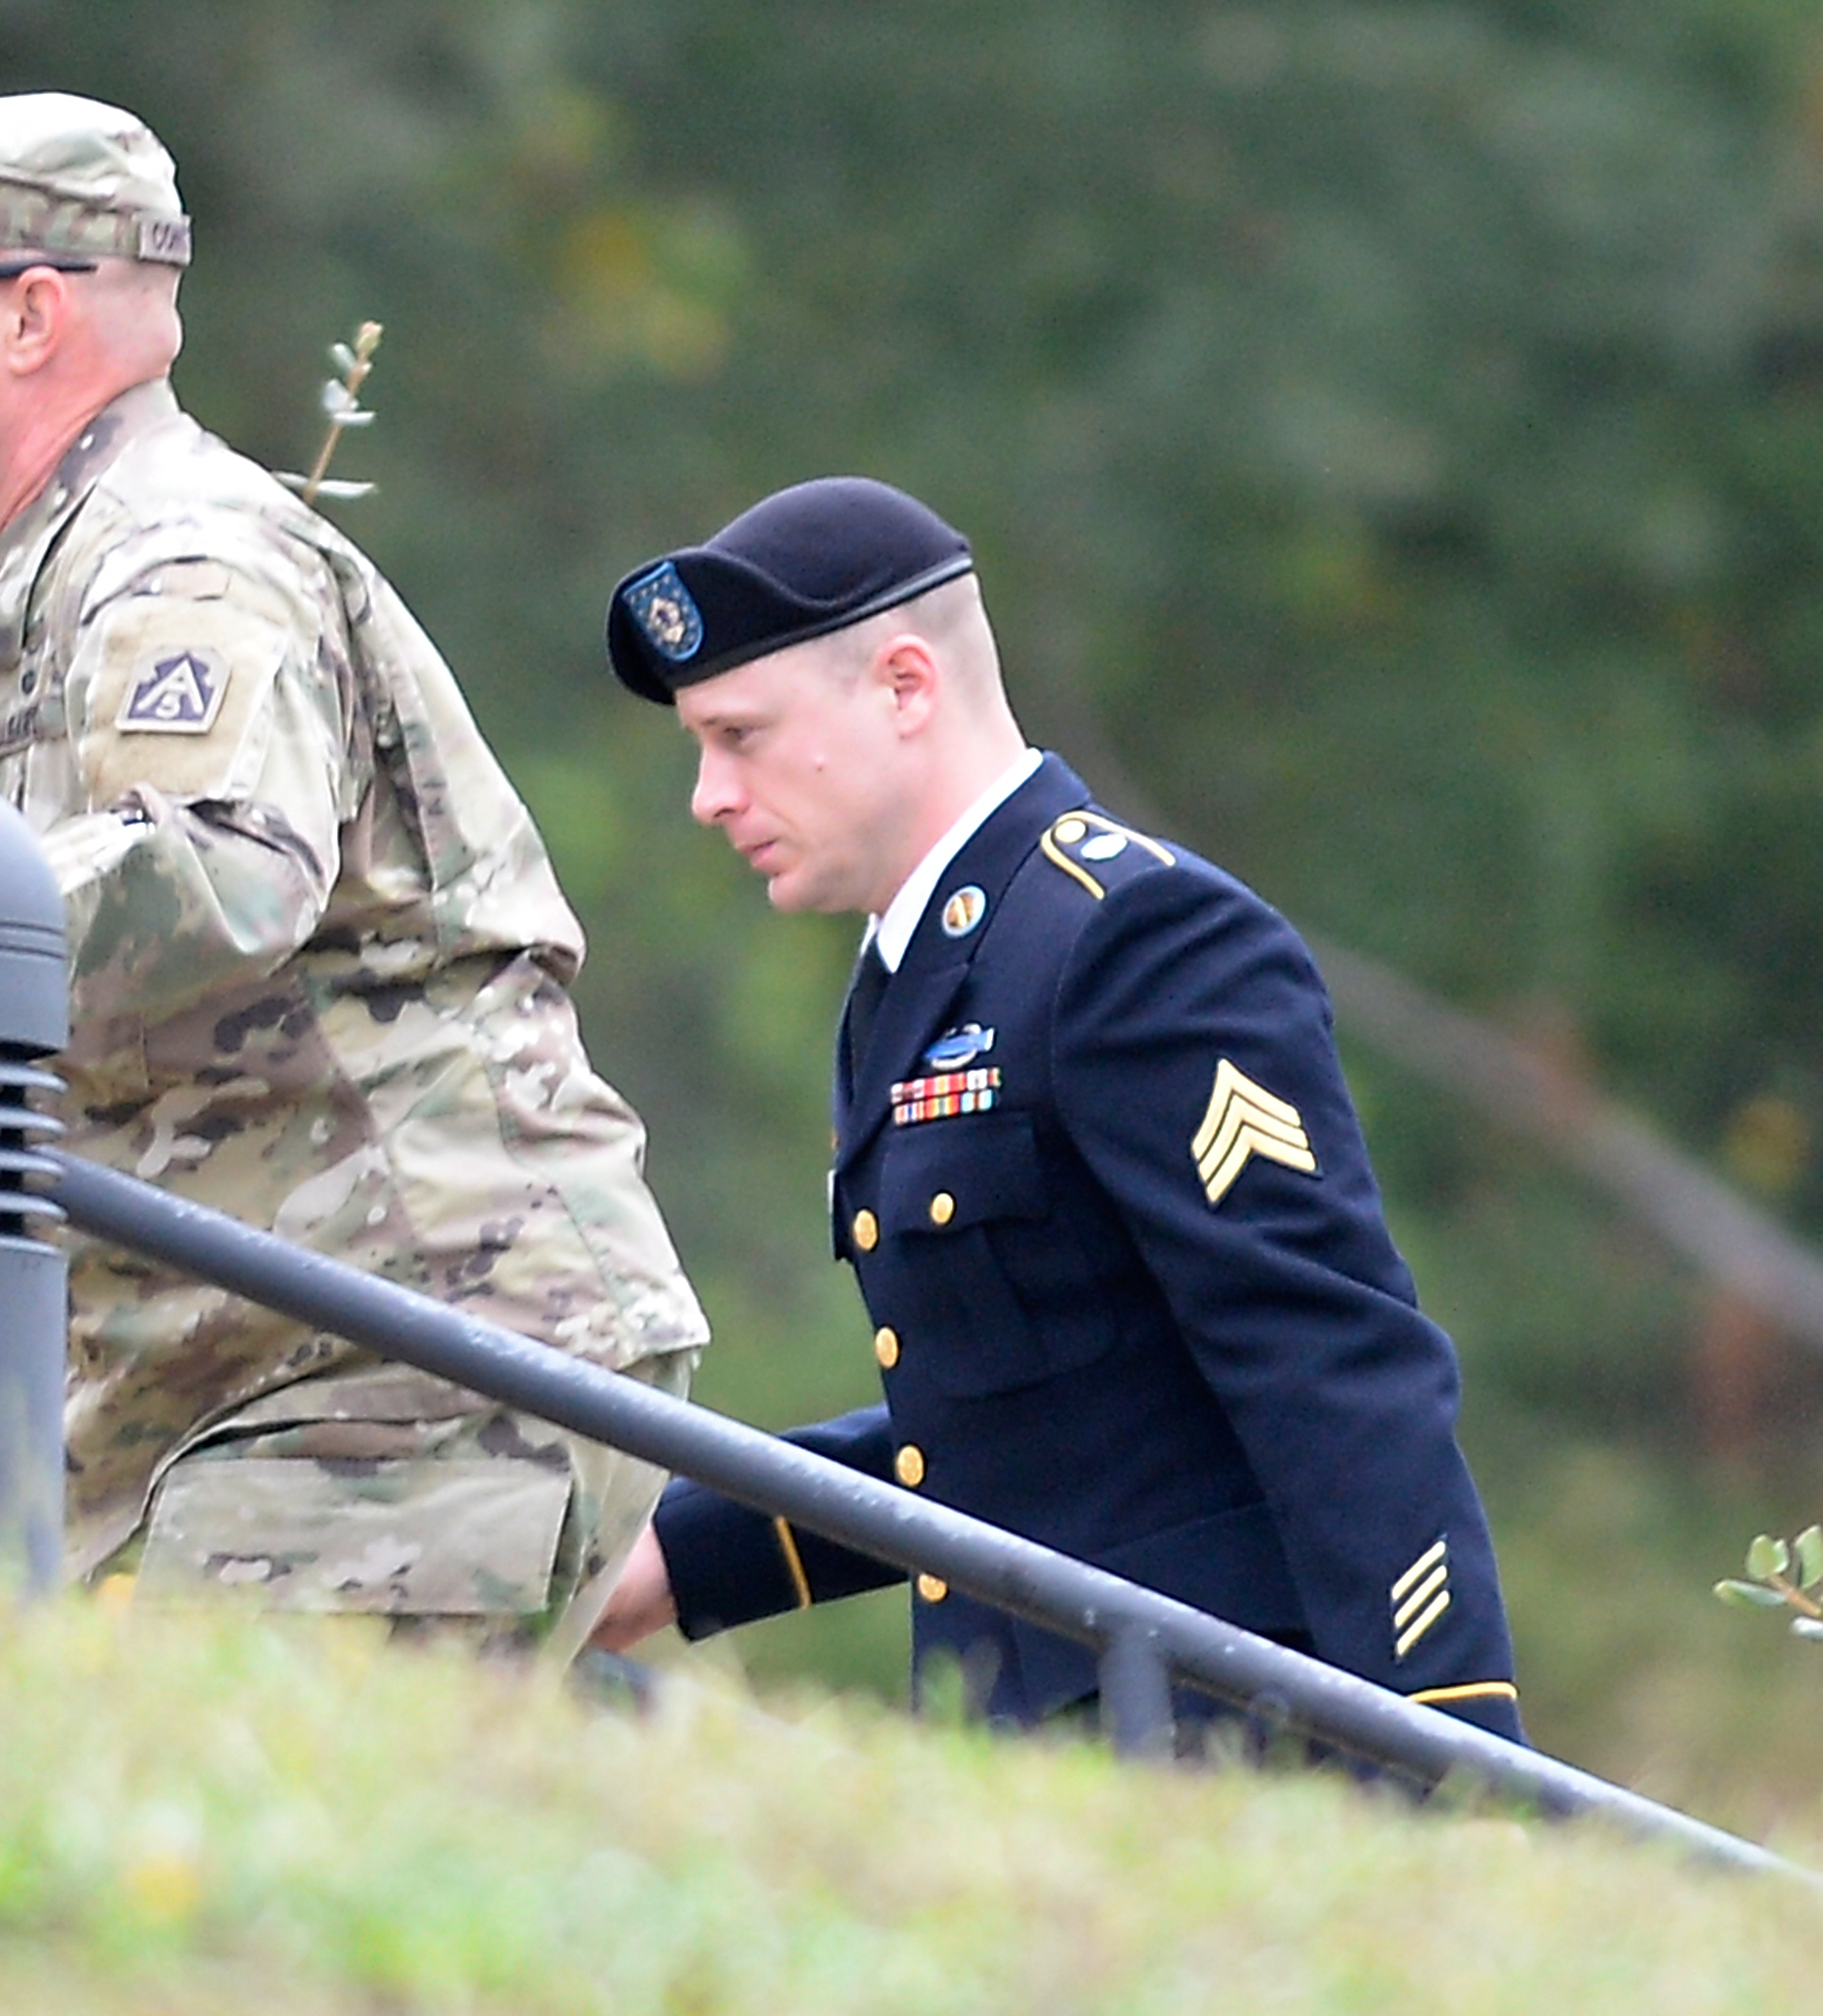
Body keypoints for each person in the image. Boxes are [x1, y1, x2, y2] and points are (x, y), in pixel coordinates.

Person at [0, 92, 708, 1651]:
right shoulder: (83, 568)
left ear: (30, 317)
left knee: (233, 1859)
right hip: (272, 1370)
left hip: (400, 1351)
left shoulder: (177, 554)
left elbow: (224, 868)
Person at [583, 477, 1524, 1742]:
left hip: (1219, 1744)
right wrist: (687, 1557)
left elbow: (1334, 1366)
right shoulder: (906, 982)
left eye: (739, 736)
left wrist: (1452, 1748)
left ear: (905, 687)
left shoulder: (1128, 933)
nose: (708, 794)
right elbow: (1014, 1423)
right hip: (1043, 1746)